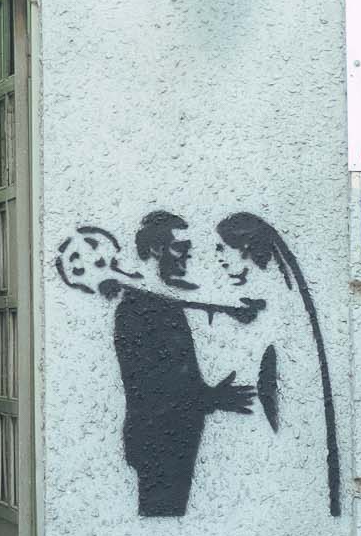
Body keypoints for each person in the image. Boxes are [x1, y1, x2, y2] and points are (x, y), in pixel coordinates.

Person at [102, 212, 259, 518]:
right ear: (157, 249)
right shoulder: (136, 310)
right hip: (157, 442)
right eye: (179, 247)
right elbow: (149, 388)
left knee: (169, 517)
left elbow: (174, 379)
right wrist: (211, 398)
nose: (187, 253)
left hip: (174, 437)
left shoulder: (165, 304)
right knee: (161, 515)